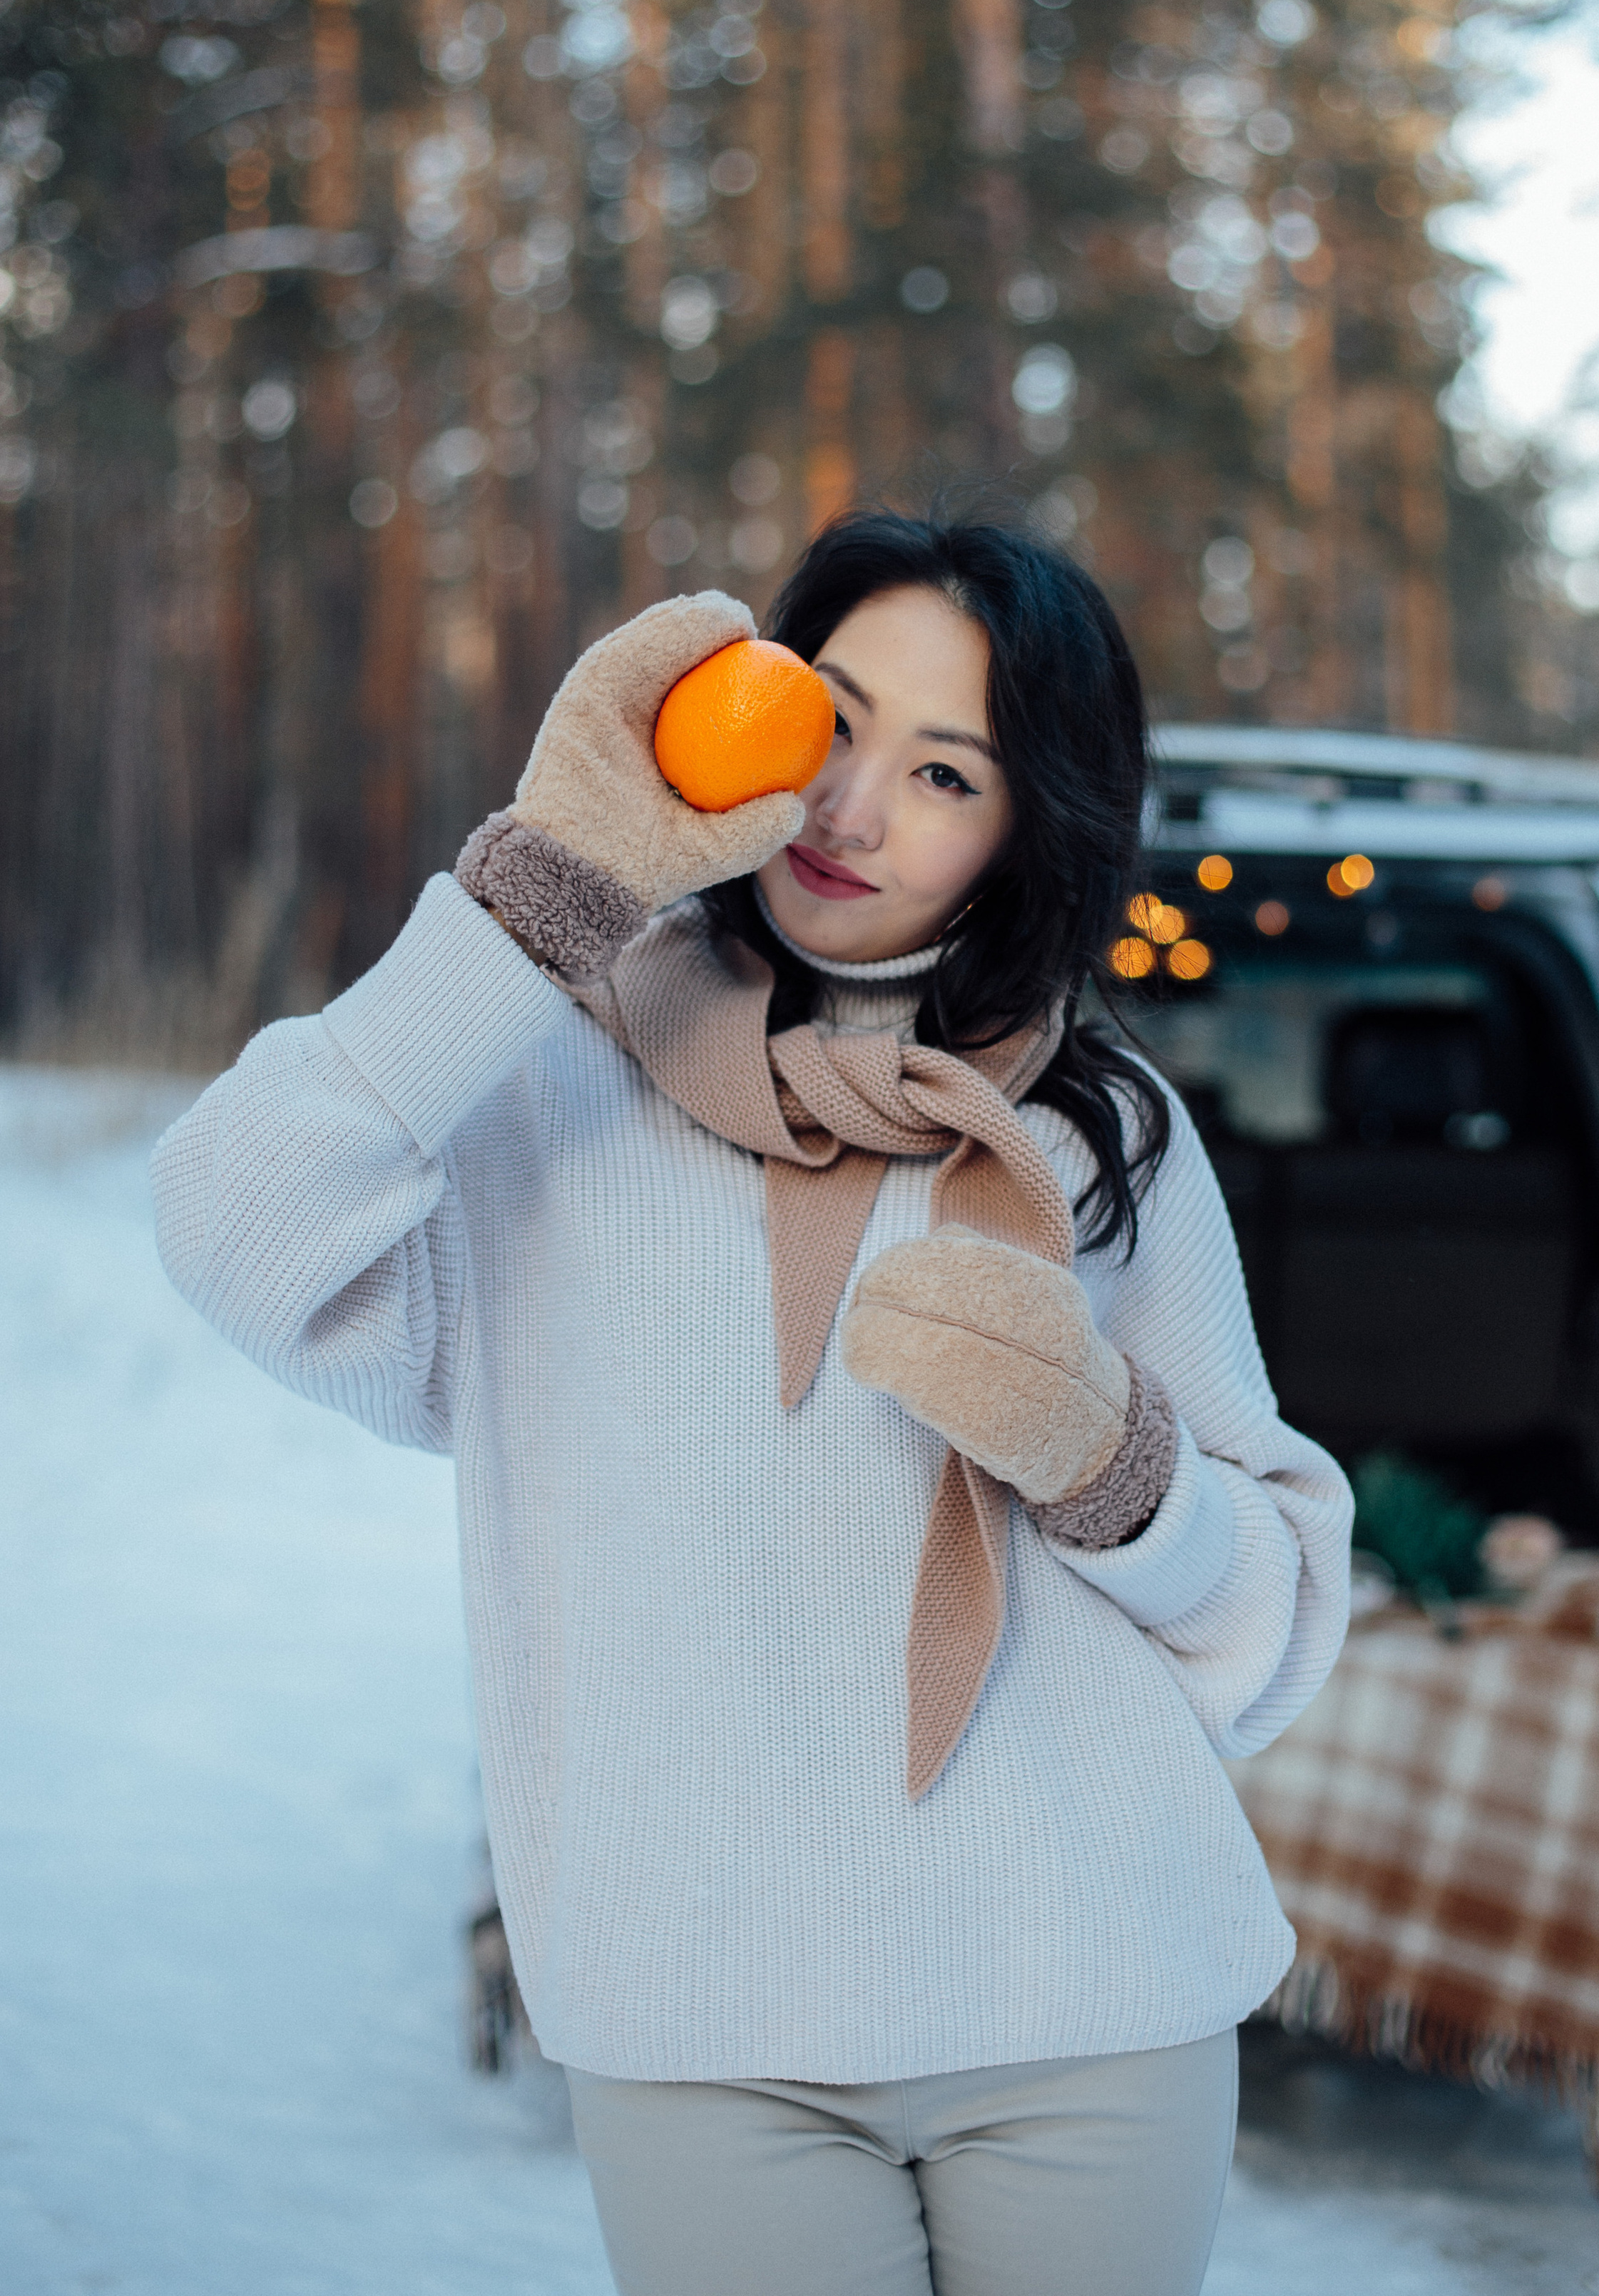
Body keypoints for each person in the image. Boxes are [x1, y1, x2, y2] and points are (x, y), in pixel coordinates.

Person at [153, 511, 1352, 2296]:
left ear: (1029, 827)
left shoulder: (1099, 1137)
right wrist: (545, 891)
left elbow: (1268, 1638)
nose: (853, 808)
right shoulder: (547, 1075)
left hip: (1091, 1991)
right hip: (709, 2025)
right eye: (834, 719)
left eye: (946, 771)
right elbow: (233, 1224)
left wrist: (1110, 1463)